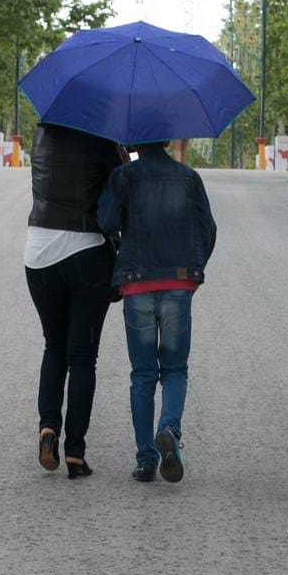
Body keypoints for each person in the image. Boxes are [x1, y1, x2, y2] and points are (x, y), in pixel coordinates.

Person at [97, 140, 217, 484]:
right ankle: (169, 427)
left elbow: (105, 221)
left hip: (137, 285)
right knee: (175, 368)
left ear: (135, 142)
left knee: (143, 374)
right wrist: (192, 271)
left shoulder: (124, 176)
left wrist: (118, 173)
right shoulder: (188, 177)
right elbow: (208, 230)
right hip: (178, 285)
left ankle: (146, 459)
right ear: (167, 140)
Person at [24, 123, 124, 478]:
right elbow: (118, 196)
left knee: (54, 346)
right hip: (86, 251)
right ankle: (75, 453)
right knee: (82, 358)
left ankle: (48, 428)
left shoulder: (41, 134)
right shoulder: (101, 136)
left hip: (37, 252)